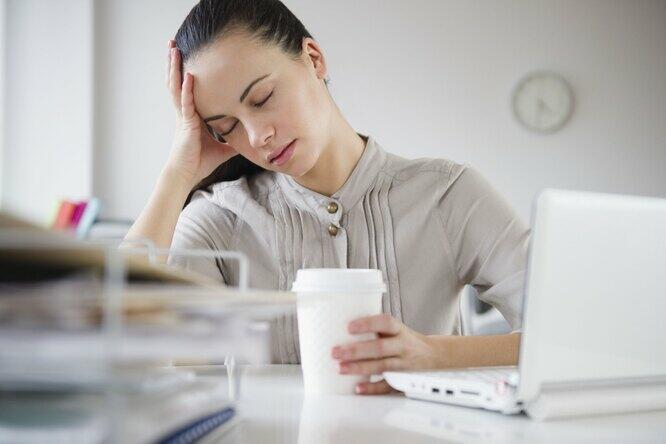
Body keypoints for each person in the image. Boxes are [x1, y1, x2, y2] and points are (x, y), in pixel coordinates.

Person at [124, 0, 530, 395]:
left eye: (262, 98)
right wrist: (178, 174)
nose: (257, 136)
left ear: (313, 59)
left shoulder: (447, 195)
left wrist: (435, 354)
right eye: (227, 127)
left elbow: (562, 339)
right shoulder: (217, 220)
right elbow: (117, 351)